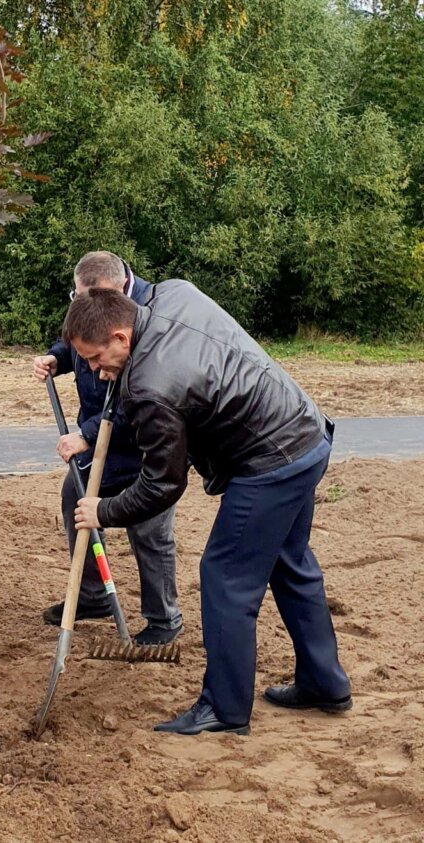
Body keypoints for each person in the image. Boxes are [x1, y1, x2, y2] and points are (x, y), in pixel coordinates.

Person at [65, 281, 351, 735]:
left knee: (225, 578)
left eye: (98, 359)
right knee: (290, 564)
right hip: (306, 434)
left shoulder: (151, 387)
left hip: (270, 464)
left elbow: (163, 484)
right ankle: (323, 683)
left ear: (121, 336)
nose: (98, 373)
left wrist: (104, 511)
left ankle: (224, 709)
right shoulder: (172, 296)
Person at [32, 252, 182, 645]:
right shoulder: (91, 304)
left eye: (87, 298)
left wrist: (87, 432)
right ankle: (93, 597)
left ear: (112, 292)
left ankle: (164, 621)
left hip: (143, 442)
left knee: (149, 527)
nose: (81, 304)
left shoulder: (151, 313)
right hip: (98, 438)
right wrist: (57, 356)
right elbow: (82, 341)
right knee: (76, 500)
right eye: (76, 297)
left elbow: (146, 396)